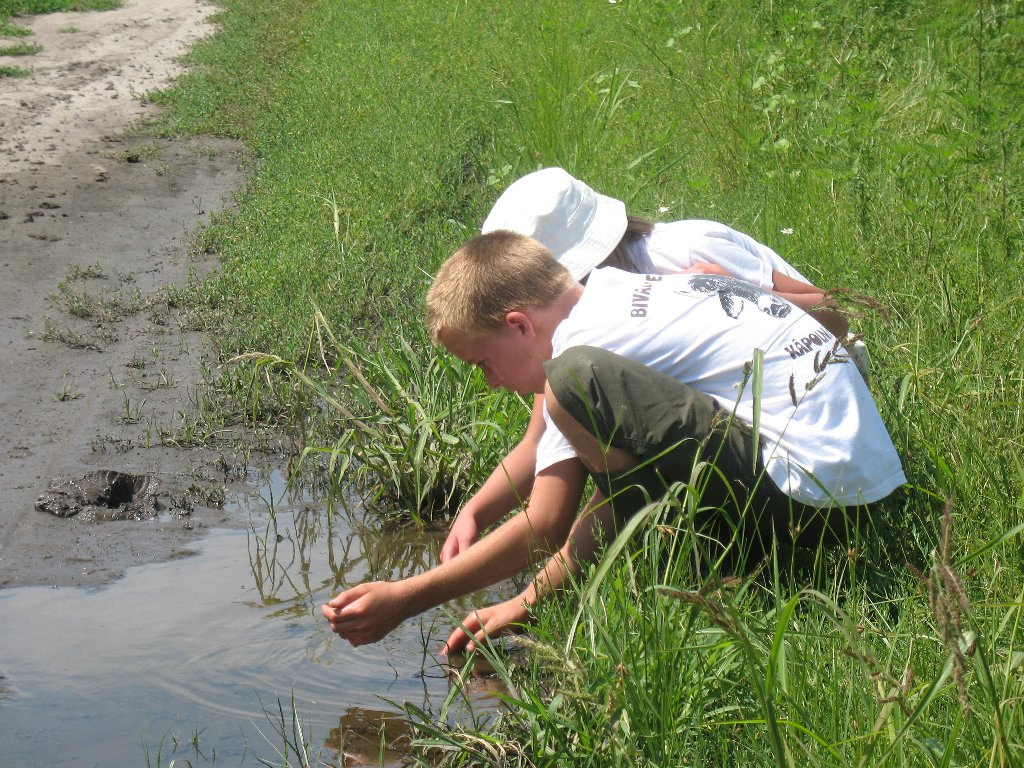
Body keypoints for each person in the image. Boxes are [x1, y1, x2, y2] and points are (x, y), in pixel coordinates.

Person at [321, 230, 906, 651]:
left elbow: (548, 524)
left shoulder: (581, 357)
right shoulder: (623, 294)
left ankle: (719, 559)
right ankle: (720, 557)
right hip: (863, 482)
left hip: (821, 504)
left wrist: (412, 597)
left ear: (520, 325)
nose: (489, 380)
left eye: (484, 362)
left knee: (571, 389)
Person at [440, 167, 864, 564]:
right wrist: (475, 510)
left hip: (807, 404)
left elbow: (836, 312)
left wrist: (727, 288)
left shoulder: (682, 253)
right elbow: (541, 440)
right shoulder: (570, 322)